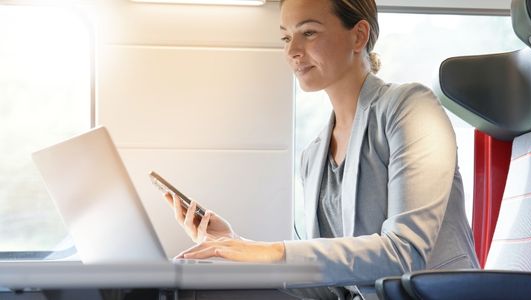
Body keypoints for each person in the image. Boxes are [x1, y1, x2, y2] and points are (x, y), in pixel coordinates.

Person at [163, 0, 479, 298]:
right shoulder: (313, 156)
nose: (292, 51)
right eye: (286, 38)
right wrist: (234, 247)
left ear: (358, 36)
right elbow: (328, 286)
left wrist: (269, 252)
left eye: (308, 32)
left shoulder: (411, 109)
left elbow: (404, 254)